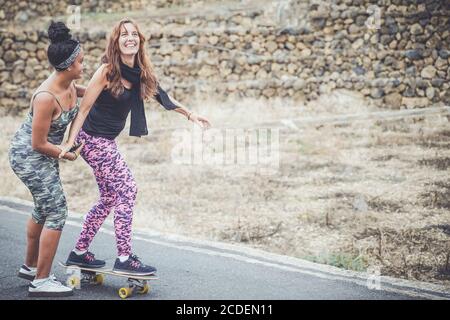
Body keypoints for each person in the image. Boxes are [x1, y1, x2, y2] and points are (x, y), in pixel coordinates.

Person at [59, 18, 211, 275]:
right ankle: (124, 257)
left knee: (109, 198)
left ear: (140, 40)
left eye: (133, 34)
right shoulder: (107, 70)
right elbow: (83, 110)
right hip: (93, 139)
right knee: (128, 189)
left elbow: (163, 96)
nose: (129, 38)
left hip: (105, 141)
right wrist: (69, 142)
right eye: (123, 34)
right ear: (116, 42)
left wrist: (190, 114)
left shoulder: (141, 73)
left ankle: (79, 253)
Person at [8, 21, 85, 297]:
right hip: (28, 156)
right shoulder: (45, 97)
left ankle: (30, 267)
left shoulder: (71, 83)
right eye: (80, 62)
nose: (83, 66)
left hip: (43, 153)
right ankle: (41, 281)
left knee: (43, 207)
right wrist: (65, 152)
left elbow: (82, 94)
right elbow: (37, 143)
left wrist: (106, 90)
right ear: (66, 66)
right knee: (57, 210)